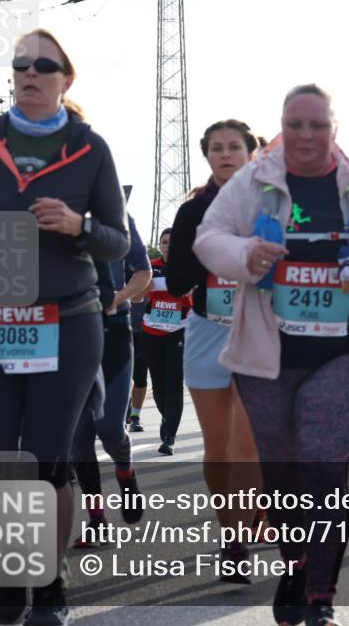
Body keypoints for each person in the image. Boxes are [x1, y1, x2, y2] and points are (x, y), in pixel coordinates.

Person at [193, 84, 349, 626]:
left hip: (342, 351)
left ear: (334, 129)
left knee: (323, 467)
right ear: (282, 126)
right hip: (267, 353)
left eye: (317, 125)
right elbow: (210, 237)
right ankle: (294, 565)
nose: (305, 135)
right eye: (295, 124)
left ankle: (322, 593)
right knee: (282, 472)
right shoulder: (256, 180)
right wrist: (246, 253)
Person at [0, 28, 129, 626]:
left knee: (49, 460)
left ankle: (49, 582)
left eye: (43, 65)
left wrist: (78, 225)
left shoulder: (91, 148)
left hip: (67, 319)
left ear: (65, 79)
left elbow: (117, 243)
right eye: (21, 63)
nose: (29, 72)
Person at [166, 119, 262, 579]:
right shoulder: (193, 212)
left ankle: (238, 542)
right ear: (207, 157)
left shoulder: (275, 203)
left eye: (234, 147)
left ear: (251, 153)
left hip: (261, 330)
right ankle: (230, 528)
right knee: (218, 448)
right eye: (216, 148)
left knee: (248, 445)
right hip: (208, 329)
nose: (225, 154)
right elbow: (180, 277)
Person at [71, 213, 151, 547]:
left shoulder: (119, 218)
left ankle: (125, 470)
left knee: (108, 428)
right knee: (79, 441)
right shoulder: (44, 215)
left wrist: (117, 298)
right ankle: (97, 519)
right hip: (68, 338)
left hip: (114, 334)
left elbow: (143, 273)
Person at [143, 228, 191, 455]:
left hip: (178, 332)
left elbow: (191, 294)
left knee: (174, 384)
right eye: (163, 242)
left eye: (172, 242)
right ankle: (167, 417)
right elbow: (143, 292)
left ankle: (169, 436)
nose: (167, 245)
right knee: (159, 386)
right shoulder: (150, 265)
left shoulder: (188, 266)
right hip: (152, 331)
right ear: (159, 245)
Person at [127, 273, 149, 431]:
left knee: (140, 377)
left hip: (142, 330)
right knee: (119, 375)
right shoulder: (111, 264)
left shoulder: (146, 270)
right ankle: (119, 414)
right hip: (119, 329)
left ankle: (135, 416)